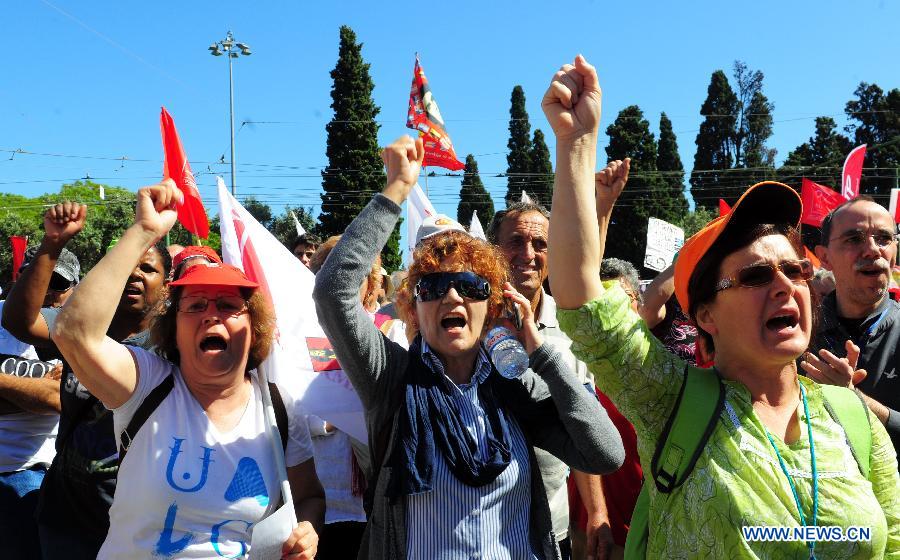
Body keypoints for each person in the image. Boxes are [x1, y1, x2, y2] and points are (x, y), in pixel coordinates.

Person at [544, 55, 899, 558]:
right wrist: (576, 143)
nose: (785, 285)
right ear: (704, 315)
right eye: (756, 275)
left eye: (795, 269)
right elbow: (581, 296)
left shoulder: (850, 418)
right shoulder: (668, 399)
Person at [313, 135, 624, 560]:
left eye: (471, 286)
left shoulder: (515, 387)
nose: (453, 298)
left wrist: (543, 358)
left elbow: (606, 454)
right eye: (434, 286)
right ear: (414, 307)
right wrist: (396, 190)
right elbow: (333, 293)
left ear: (491, 304)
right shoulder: (391, 378)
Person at [48, 181, 324, 558]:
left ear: (254, 325)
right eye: (194, 306)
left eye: (228, 304)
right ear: (173, 330)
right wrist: (143, 231)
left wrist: (307, 531)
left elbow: (308, 496)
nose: (212, 315)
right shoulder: (146, 384)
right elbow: (72, 332)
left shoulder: (277, 407)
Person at [2, 202, 171, 559]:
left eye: (148, 268)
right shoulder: (78, 329)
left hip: (140, 518)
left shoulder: (174, 346)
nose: (135, 275)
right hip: (68, 519)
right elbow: (19, 321)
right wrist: (52, 244)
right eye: (127, 265)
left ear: (166, 285)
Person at [488, 201, 607, 560]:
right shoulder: (470, 322)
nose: (528, 254)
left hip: (552, 533)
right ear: (494, 251)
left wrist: (598, 511)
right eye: (515, 241)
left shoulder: (574, 330)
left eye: (540, 244)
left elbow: (582, 425)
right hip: (481, 529)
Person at [306, 235, 407, 560]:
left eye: (356, 272)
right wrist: (324, 418)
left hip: (374, 506)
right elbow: (285, 405)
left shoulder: (391, 332)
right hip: (319, 507)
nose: (342, 279)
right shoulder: (299, 334)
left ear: (372, 284)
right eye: (328, 270)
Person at [0, 247, 77, 560]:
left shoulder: (74, 331)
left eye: (56, 284)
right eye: (35, 279)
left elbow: (59, 399)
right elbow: (47, 394)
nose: (44, 291)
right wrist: (34, 390)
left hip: (28, 476)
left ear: (74, 289)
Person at [808, 197, 900, 458]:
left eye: (884, 238)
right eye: (854, 239)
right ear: (824, 257)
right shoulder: (798, 334)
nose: (872, 250)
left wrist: (853, 401)